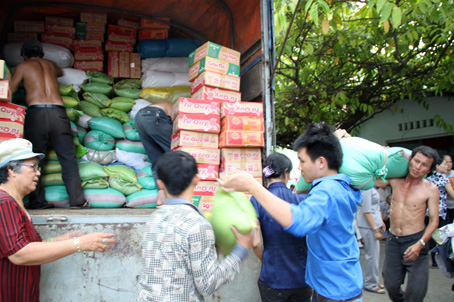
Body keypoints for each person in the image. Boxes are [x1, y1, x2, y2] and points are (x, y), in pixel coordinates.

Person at [218, 123, 363, 302]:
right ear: (285, 173)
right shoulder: (336, 188)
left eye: (302, 161)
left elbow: (299, 222)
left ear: (321, 162)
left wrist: (252, 186)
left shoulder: (328, 192)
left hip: (336, 294)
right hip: (325, 287)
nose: (300, 167)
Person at [0, 138, 115, 301]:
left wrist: (57, 240)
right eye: (32, 167)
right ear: (11, 170)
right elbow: (19, 254)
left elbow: (23, 246)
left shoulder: (14, 202)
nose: (38, 173)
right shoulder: (3, 202)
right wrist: (78, 244)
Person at [137, 151, 254, 302]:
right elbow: (207, 285)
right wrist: (240, 250)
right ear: (196, 179)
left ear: (160, 184)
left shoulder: (154, 219)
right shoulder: (197, 225)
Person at [10, 39, 87, 209]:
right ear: (42, 54)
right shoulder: (51, 65)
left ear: (23, 54)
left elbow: (11, 89)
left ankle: (38, 201)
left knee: (35, 159)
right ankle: (78, 201)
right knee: (68, 159)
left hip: (37, 114)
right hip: (58, 113)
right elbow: (60, 72)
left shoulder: (23, 67)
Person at [376, 145, 440, 302]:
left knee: (416, 293)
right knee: (391, 285)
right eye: (416, 161)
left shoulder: (430, 189)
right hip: (393, 241)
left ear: (429, 169)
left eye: (424, 165)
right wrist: (383, 155)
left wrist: (420, 244)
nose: (418, 167)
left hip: (416, 241)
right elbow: (372, 179)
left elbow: (434, 221)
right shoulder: (395, 180)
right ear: (410, 159)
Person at [251, 153, 312, 302]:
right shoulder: (301, 200)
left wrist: (263, 259)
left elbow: (256, 242)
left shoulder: (256, 200)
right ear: (286, 172)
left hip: (272, 277)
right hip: (301, 279)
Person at [134, 101, 174, 205]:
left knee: (158, 159)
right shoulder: (182, 108)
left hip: (139, 117)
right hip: (154, 115)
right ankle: (178, 197)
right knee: (178, 155)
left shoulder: (170, 104)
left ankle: (161, 198)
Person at [356, 188, 386, 294]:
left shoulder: (370, 187)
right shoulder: (367, 188)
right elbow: (367, 211)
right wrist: (375, 229)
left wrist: (380, 222)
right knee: (372, 255)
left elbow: (375, 208)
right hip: (368, 226)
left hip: (372, 224)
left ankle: (373, 281)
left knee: (374, 255)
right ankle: (371, 283)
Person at [426, 155, 454, 268]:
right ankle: (439, 258)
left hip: (427, 211)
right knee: (440, 236)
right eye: (444, 164)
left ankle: (433, 260)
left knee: (431, 233)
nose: (447, 166)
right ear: (437, 166)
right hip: (439, 212)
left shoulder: (427, 178)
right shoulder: (443, 178)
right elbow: (452, 194)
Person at [441, 155, 454, 223]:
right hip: (444, 207)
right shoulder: (439, 175)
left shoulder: (453, 173)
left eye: (450, 162)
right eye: (446, 162)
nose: (448, 164)